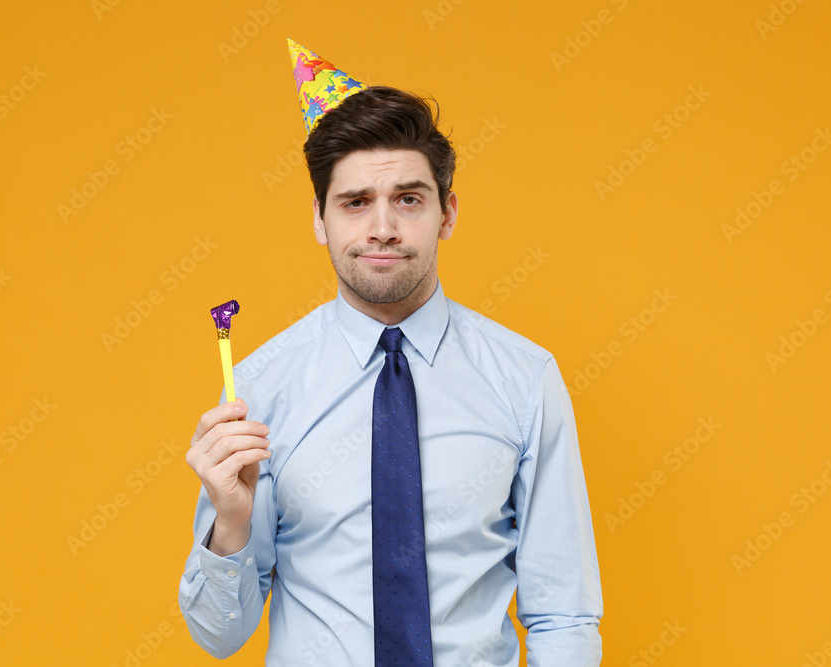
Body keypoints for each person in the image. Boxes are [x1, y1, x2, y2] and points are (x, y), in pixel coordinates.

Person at [178, 40, 602, 666]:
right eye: (354, 203)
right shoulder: (260, 387)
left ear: (446, 213)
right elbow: (220, 636)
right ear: (320, 220)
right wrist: (231, 523)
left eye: (408, 198)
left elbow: (563, 613)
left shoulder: (524, 378)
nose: (382, 227)